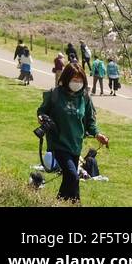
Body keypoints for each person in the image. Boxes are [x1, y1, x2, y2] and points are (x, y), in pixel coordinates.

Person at [36, 62, 109, 203]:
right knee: (73, 176)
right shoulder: (55, 94)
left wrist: (97, 134)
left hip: (75, 145)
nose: (78, 83)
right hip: (58, 143)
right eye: (74, 80)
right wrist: (41, 118)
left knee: (69, 180)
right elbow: (42, 111)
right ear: (67, 78)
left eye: (80, 80)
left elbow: (90, 122)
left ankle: (60, 203)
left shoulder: (85, 98)